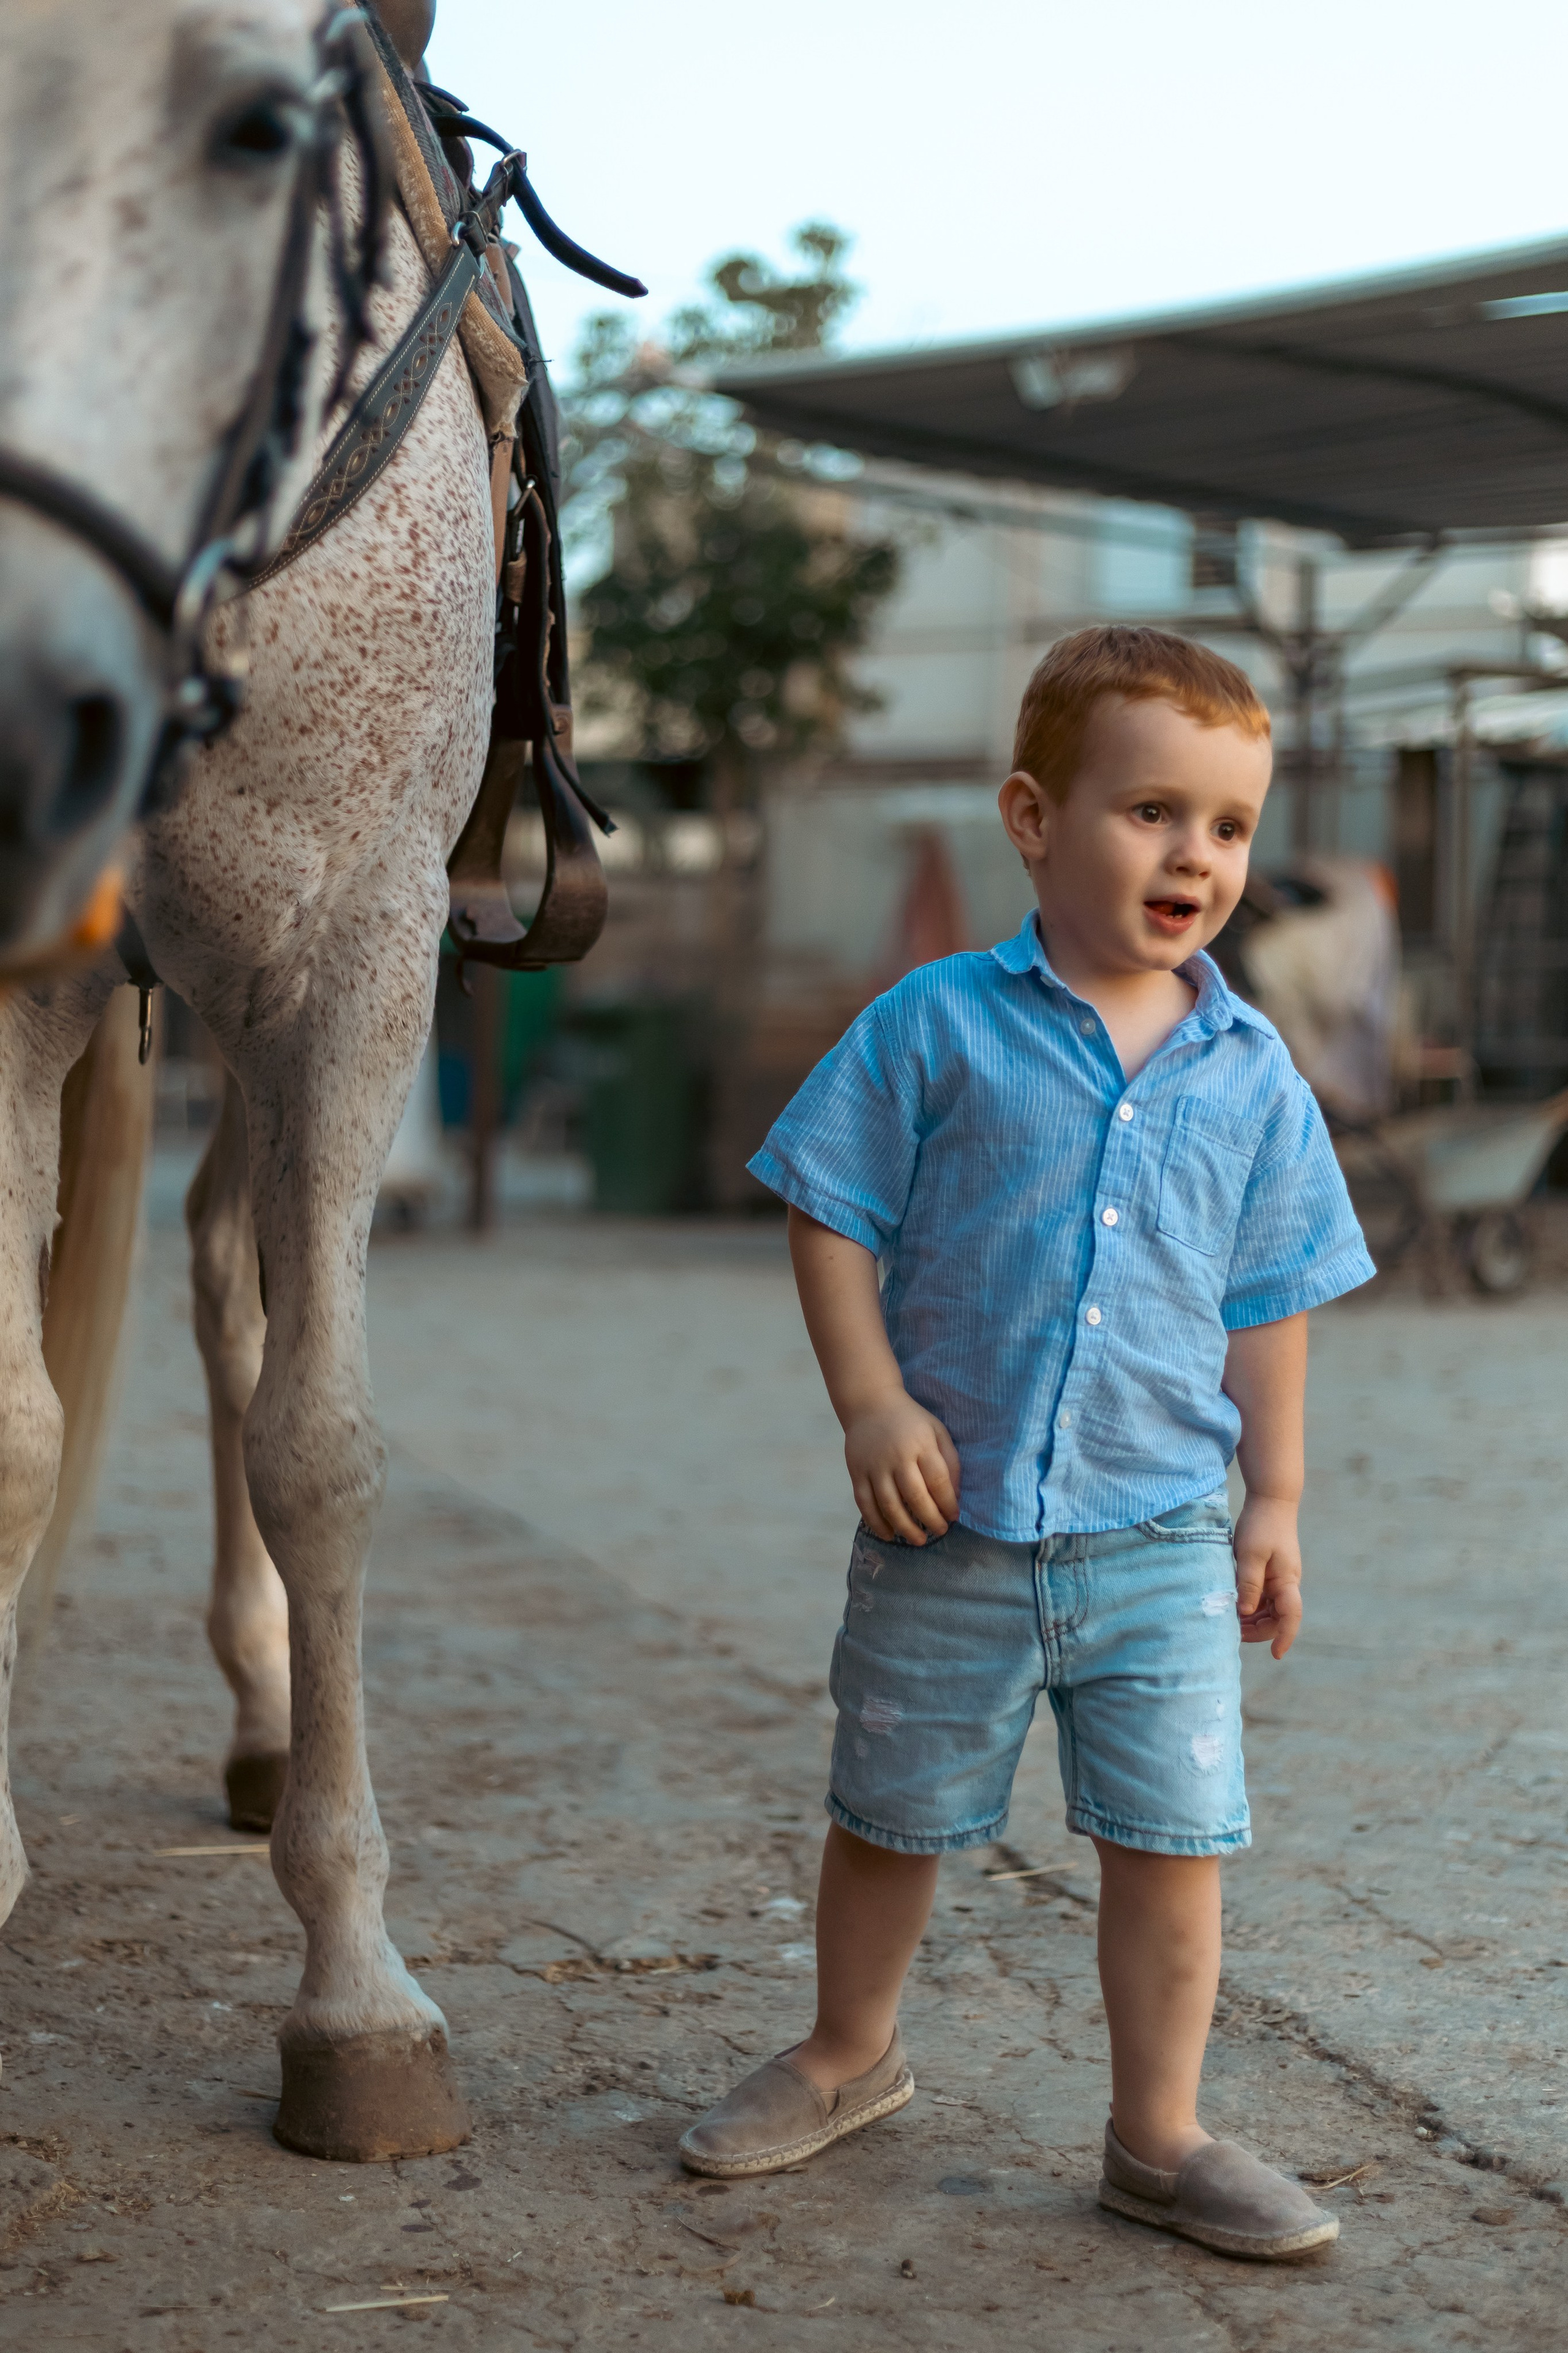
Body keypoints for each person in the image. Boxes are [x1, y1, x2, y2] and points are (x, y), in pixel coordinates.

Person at [677, 625, 1375, 2260]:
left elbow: (1269, 1294)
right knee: (890, 1812)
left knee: (1174, 1844)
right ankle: (852, 2051)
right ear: (1032, 815)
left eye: (1228, 823)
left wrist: (1272, 1496)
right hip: (951, 1529)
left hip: (1159, 1543)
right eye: (1150, 810)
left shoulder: (1253, 1070)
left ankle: (1161, 2133)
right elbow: (829, 1212)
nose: (1194, 853)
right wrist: (871, 1397)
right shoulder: (937, 1024)